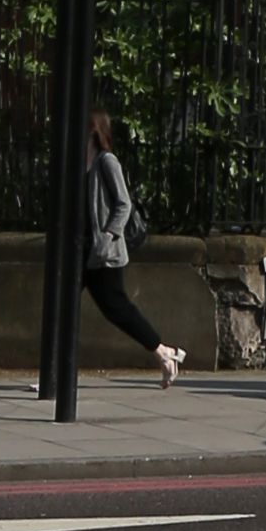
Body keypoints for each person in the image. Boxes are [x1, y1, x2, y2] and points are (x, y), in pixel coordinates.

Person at [79, 105, 186, 387]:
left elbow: (123, 203)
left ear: (92, 129)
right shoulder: (80, 162)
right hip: (80, 251)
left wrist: (108, 235)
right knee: (60, 308)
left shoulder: (106, 161)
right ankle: (52, 375)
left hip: (102, 254)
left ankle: (164, 352)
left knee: (118, 310)